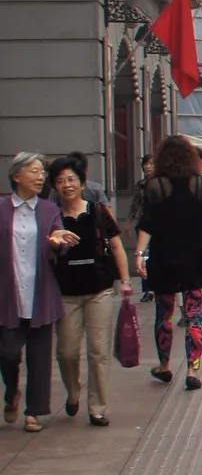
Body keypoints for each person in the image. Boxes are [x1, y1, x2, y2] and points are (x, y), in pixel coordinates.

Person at [136, 135, 202, 392]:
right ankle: (192, 369)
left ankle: (165, 365)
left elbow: (147, 223)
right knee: (193, 316)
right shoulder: (201, 185)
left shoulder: (155, 186)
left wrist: (139, 255)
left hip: (163, 258)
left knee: (164, 314)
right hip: (195, 258)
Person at [48, 154, 131, 425]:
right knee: (67, 351)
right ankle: (73, 392)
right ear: (54, 186)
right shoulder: (52, 217)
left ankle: (97, 407)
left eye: (71, 179)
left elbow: (116, 245)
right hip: (66, 292)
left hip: (99, 289)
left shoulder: (97, 211)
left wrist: (126, 280)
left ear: (82, 183)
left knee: (98, 351)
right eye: (60, 181)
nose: (66, 185)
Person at [1, 153, 74, 431]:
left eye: (42, 172)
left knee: (39, 355)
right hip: (8, 293)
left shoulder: (48, 209)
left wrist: (58, 241)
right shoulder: (1, 209)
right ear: (16, 176)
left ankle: (34, 411)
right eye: (34, 171)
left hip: (40, 291)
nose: (41, 176)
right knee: (8, 353)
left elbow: (59, 238)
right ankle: (11, 393)